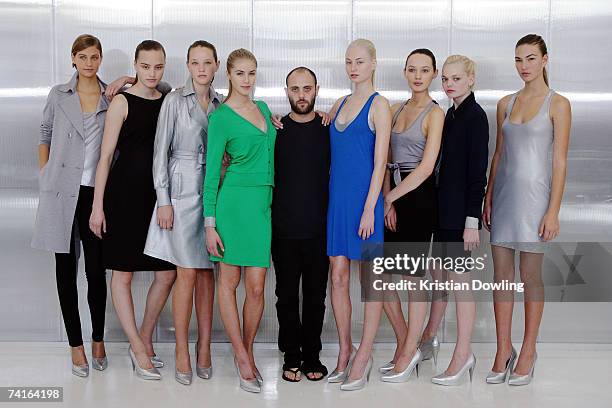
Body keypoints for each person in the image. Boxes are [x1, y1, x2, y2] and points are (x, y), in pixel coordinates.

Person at [483, 34, 571, 386]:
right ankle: (503, 349)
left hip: (536, 200)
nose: (524, 67)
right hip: (504, 198)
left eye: (531, 59)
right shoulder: (505, 103)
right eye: (519, 60)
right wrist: (488, 197)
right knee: (501, 276)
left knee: (529, 276)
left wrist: (554, 211)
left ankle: (529, 349)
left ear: (545, 60)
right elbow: (499, 154)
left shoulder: (558, 104)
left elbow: (560, 161)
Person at [89, 40, 176, 381]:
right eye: (145, 67)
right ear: (136, 66)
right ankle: (139, 348)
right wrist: (98, 208)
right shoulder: (121, 102)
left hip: (158, 199)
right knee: (122, 275)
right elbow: (105, 157)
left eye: (158, 67)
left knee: (167, 272)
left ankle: (144, 336)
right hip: (123, 197)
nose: (152, 73)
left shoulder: (169, 100)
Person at [143, 40, 222, 385]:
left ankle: (204, 346)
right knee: (186, 274)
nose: (202, 69)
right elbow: (160, 152)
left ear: (216, 65)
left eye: (207, 62)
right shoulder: (174, 100)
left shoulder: (222, 104)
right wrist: (164, 199)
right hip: (180, 189)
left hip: (214, 191)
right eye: (195, 62)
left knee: (207, 275)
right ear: (188, 65)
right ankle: (181, 349)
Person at [31, 34, 110, 378]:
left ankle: (97, 340)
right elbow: (45, 131)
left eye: (95, 56)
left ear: (100, 59)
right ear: (73, 59)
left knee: (96, 271)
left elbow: (160, 85)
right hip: (61, 191)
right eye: (83, 56)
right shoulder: (59, 94)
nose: (89, 63)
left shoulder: (112, 96)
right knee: (65, 270)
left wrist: (124, 81)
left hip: (95, 195)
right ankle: (75, 346)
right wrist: (45, 172)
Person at [203, 48, 276, 393]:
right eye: (241, 74)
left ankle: (245, 346)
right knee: (229, 281)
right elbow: (212, 173)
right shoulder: (220, 118)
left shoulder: (262, 109)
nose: (247, 80)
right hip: (233, 204)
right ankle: (242, 356)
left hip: (262, 207)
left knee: (257, 286)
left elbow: (271, 141)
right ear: (228, 76)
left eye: (252, 73)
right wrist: (209, 223)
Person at [325, 38, 392, 391]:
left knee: (369, 281)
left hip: (365, 203)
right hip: (337, 201)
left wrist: (371, 209)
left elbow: (380, 162)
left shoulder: (380, 106)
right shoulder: (339, 103)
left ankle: (363, 356)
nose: (354, 67)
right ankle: (345, 350)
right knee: (337, 274)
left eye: (361, 61)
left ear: (374, 63)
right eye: (349, 61)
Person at [421, 55, 489, 386]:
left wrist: (471, 221)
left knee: (461, 283)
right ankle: (430, 338)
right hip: (442, 212)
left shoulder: (475, 117)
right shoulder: (450, 113)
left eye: (457, 79)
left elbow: (477, 176)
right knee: (442, 278)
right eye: (446, 79)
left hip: (460, 215)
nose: (449, 84)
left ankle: (463, 355)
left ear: (471, 79)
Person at [379, 48, 445, 383]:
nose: (417, 75)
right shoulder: (395, 109)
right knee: (384, 276)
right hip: (393, 194)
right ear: (405, 72)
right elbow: (386, 154)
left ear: (433, 74)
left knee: (412, 278)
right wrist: (387, 197)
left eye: (424, 70)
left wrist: (389, 198)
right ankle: (407, 342)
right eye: (411, 69)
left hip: (418, 198)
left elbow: (426, 168)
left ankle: (407, 352)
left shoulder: (436, 114)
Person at [272, 67, 330, 382]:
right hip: (283, 230)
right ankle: (291, 355)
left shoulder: (327, 129)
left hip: (319, 229)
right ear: (287, 92)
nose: (302, 95)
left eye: (307, 88)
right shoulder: (276, 130)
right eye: (295, 89)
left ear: (316, 90)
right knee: (286, 296)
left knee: (315, 296)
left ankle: (312, 356)